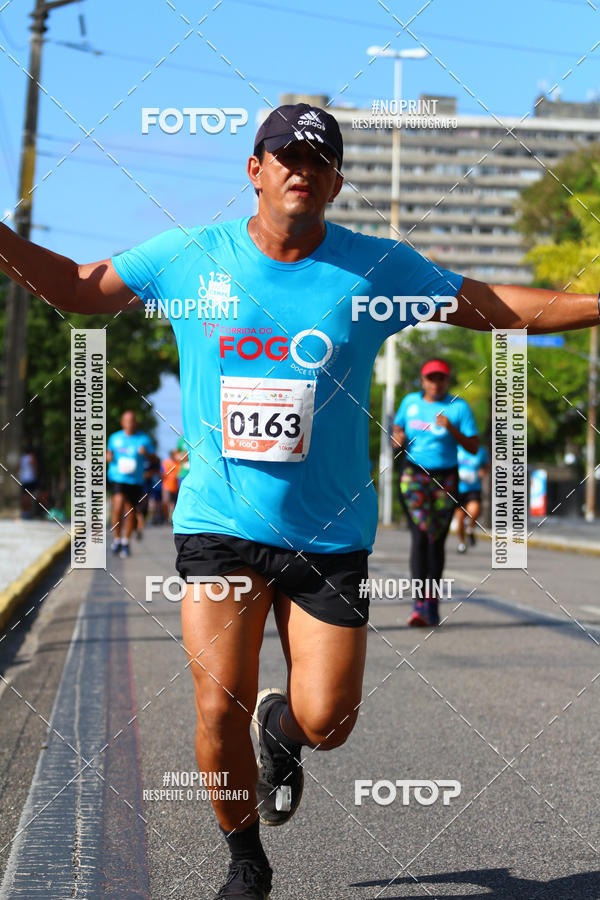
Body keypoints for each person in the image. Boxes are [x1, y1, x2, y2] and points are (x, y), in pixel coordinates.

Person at [1, 101, 599, 899]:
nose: (300, 169)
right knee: (216, 709)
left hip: (328, 532)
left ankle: (283, 732)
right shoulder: (188, 259)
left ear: (336, 183)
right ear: (254, 170)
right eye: (285, 156)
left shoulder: (376, 270)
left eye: (317, 161)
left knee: (330, 721)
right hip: (221, 524)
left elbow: (490, 306)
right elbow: (77, 288)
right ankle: (246, 861)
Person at [392, 360, 479, 627]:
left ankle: (432, 603)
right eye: (431, 378)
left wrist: (451, 428)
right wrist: (397, 438)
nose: (435, 383)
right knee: (420, 536)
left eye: (441, 378)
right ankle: (419, 604)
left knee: (436, 541)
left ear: (447, 381)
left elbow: (474, 447)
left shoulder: (459, 407)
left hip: (446, 478)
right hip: (415, 475)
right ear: (423, 380)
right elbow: (398, 428)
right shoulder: (409, 402)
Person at [106, 410, 153, 558]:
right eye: (126, 421)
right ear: (122, 423)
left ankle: (126, 542)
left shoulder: (143, 439)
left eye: (132, 421)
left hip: (135, 480)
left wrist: (146, 454)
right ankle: (117, 539)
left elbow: (154, 459)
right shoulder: (115, 438)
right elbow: (109, 455)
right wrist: (108, 457)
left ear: (135, 423)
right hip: (117, 477)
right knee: (118, 505)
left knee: (130, 510)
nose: (129, 424)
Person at [455, 444, 490, 553]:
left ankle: (470, 528)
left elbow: (486, 465)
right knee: (459, 518)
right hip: (457, 488)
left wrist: (482, 472)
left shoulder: (480, 450)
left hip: (473, 488)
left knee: (473, 511)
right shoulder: (456, 449)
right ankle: (462, 542)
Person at [18, 443, 38, 519]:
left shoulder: (22, 458)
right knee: (30, 496)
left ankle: (25, 512)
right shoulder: (32, 457)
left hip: (23, 479)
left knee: (24, 496)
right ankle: (29, 512)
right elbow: (35, 467)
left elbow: (19, 468)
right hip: (30, 479)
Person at [161, 449, 180, 523]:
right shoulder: (166, 463)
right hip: (166, 486)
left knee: (173, 504)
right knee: (166, 503)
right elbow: (161, 472)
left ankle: (171, 519)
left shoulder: (179, 464)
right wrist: (163, 476)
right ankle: (166, 518)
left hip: (176, 487)